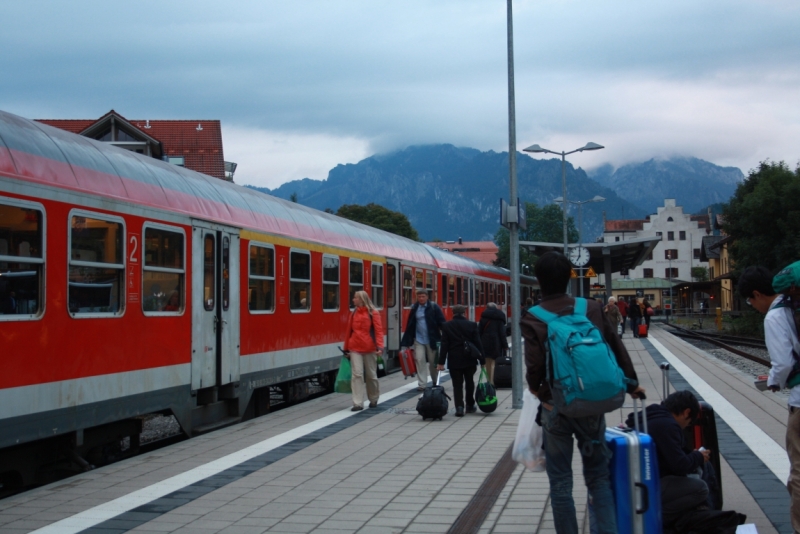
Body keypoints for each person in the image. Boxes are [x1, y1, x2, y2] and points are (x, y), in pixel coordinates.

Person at [521, 251, 644, 534]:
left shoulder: (533, 317)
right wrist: (631, 383)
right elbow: (614, 345)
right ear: (569, 277)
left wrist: (538, 391)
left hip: (557, 408)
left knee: (561, 483)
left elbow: (535, 364)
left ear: (539, 281)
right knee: (599, 479)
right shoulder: (591, 307)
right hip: (591, 406)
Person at [738, 266, 800, 532]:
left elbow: (784, 363)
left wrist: (773, 380)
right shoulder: (793, 305)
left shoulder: (776, 315)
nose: (752, 306)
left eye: (750, 301)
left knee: (799, 471)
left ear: (756, 294)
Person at [630, 390, 710, 527]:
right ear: (686, 412)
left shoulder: (650, 416)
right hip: (647, 485)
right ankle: (654, 520)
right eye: (689, 422)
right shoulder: (668, 426)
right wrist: (698, 456)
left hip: (638, 480)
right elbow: (680, 465)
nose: (687, 426)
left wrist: (693, 457)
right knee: (700, 489)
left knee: (695, 473)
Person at [438, 304, 485, 417]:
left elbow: (444, 345)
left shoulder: (447, 326)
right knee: (469, 382)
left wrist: (440, 362)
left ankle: (459, 407)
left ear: (452, 313)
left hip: (454, 359)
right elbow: (478, 343)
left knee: (457, 384)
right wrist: (482, 360)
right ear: (465, 313)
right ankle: (469, 404)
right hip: (469, 358)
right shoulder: (472, 325)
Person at [343, 290, 384, 411]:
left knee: (371, 375)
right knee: (357, 375)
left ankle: (373, 398)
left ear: (361, 299)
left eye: (355, 298)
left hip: (370, 348)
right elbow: (348, 331)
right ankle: (358, 403)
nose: (353, 300)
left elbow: (378, 331)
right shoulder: (354, 313)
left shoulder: (373, 313)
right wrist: (346, 348)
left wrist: (380, 347)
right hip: (355, 347)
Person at [401, 289, 446, 391]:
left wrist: (445, 336)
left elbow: (442, 322)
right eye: (419, 296)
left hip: (432, 339)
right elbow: (410, 324)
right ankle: (422, 384)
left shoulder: (434, 307)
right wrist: (407, 339)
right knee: (419, 360)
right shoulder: (415, 308)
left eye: (423, 296)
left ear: (427, 297)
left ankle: (435, 381)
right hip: (419, 339)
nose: (421, 298)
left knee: (432, 362)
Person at [479, 302, 506, 385]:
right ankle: (493, 381)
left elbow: (479, 332)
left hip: (485, 342)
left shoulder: (483, 317)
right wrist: (505, 345)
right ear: (496, 307)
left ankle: (489, 381)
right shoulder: (500, 317)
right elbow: (502, 333)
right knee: (495, 362)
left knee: (487, 362)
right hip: (496, 342)